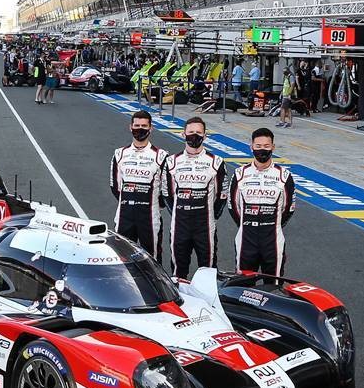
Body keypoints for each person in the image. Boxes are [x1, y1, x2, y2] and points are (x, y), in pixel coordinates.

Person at [163, 117, 227, 279]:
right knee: (178, 272)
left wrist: (211, 215)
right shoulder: (172, 161)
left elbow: (222, 195)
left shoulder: (216, 162)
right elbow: (167, 193)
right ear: (183, 134)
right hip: (180, 225)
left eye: (198, 133)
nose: (194, 136)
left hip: (205, 226)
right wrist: (179, 212)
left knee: (208, 273)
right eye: (191, 132)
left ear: (205, 136)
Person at [229, 127, 296, 276]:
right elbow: (233, 206)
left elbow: (288, 208)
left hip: (273, 239)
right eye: (258, 146)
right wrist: (246, 223)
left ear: (273, 147)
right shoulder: (240, 174)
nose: (262, 150)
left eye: (266, 146)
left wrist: (274, 224)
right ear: (251, 147)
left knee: (274, 286)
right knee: (242, 286)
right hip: (246, 238)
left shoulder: (284, 175)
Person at [110, 110, 167, 259]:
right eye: (137, 125)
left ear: (150, 128)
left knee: (152, 259)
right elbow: (115, 186)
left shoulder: (161, 156)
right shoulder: (119, 154)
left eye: (144, 125)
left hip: (149, 216)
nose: (140, 129)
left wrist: (155, 203)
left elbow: (166, 189)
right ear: (130, 127)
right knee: (122, 258)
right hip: (124, 215)